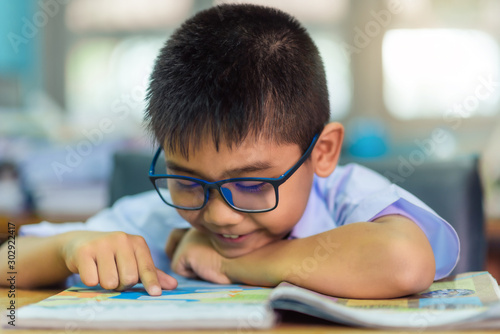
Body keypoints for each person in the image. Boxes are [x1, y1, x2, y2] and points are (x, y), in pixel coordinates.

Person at [0, 4, 459, 299]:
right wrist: (68, 247)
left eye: (254, 183)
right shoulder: (160, 223)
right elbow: (9, 262)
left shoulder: (346, 197)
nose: (219, 215)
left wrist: (229, 262)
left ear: (323, 152)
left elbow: (404, 261)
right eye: (187, 181)